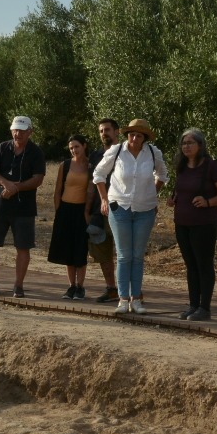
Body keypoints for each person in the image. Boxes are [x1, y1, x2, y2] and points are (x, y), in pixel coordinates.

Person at [94, 118, 168, 315]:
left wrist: (153, 192)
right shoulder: (116, 151)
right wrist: (103, 199)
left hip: (145, 209)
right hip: (120, 208)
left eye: (139, 135)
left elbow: (162, 174)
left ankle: (136, 299)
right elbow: (98, 174)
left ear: (145, 138)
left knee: (137, 256)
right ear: (127, 135)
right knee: (124, 255)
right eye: (132, 134)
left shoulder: (153, 152)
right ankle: (123, 299)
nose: (135, 138)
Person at [0, 115, 46, 298]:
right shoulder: (3, 147)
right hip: (0, 202)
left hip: (24, 206)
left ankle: (18, 285)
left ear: (30, 132)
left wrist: (16, 188)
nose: (18, 133)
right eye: (15, 130)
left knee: (23, 246)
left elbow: (38, 179)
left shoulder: (35, 152)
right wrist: (6, 184)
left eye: (22, 130)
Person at [170, 128, 217, 320]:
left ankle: (204, 308)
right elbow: (182, 188)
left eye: (190, 143)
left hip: (203, 224)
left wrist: (208, 202)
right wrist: (174, 198)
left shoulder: (210, 166)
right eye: (183, 143)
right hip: (182, 223)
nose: (186, 146)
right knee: (191, 265)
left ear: (200, 145)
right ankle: (193, 305)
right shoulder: (181, 165)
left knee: (203, 265)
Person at [47, 134, 96, 300]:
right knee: (68, 250)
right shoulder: (65, 165)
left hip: (82, 211)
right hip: (65, 210)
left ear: (84, 146)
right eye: (71, 148)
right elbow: (58, 190)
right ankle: (71, 286)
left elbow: (93, 190)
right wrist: (58, 212)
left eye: (77, 147)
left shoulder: (91, 166)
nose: (74, 150)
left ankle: (80, 286)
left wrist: (88, 213)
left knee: (80, 249)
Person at [86, 118, 122, 303]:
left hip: (122, 208)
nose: (104, 133)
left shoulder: (126, 153)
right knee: (102, 251)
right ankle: (111, 289)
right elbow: (91, 185)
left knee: (125, 252)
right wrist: (87, 210)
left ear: (117, 132)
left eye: (107, 130)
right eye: (101, 131)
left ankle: (131, 291)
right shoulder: (95, 155)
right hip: (98, 212)